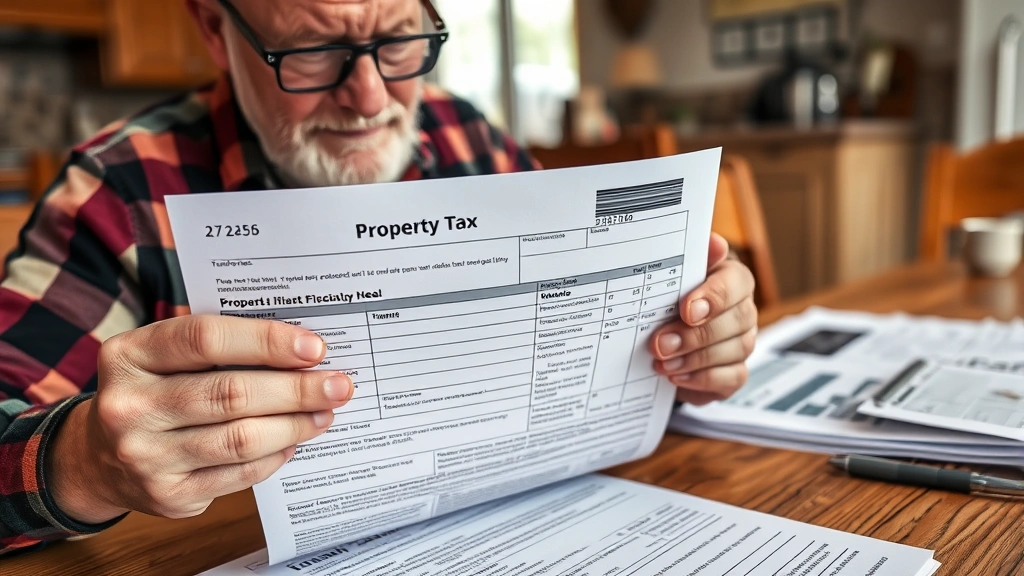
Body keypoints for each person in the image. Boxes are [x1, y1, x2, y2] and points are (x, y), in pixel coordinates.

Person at [0, 0, 758, 556]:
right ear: (213, 27)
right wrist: (86, 461)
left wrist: (686, 353)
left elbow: (584, 363)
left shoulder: (467, 137)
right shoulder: (120, 192)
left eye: (399, 41)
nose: (368, 99)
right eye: (312, 50)